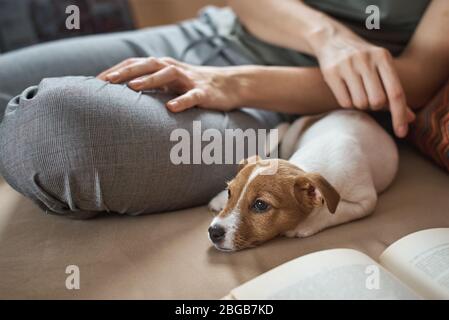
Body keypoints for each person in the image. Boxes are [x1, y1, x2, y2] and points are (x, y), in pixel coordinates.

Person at [0, 0, 447, 218]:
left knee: (53, 133)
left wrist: (235, 83)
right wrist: (328, 37)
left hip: (282, 104)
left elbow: (417, 78)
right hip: (203, 37)